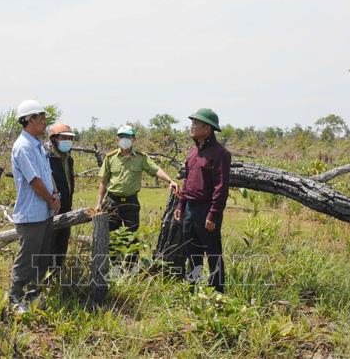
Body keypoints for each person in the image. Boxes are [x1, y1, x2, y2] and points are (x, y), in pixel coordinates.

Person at [95, 124, 178, 268]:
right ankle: (114, 268)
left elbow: (155, 169)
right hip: (111, 201)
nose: (124, 140)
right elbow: (103, 182)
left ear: (134, 139)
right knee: (113, 237)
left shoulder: (141, 158)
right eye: (121, 137)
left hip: (131, 202)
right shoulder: (110, 158)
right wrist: (99, 203)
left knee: (131, 237)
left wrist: (170, 180)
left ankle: (131, 270)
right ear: (117, 139)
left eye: (127, 137)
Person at [9, 100, 61, 313]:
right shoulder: (23, 146)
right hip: (31, 215)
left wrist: (55, 195)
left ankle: (33, 296)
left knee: (41, 257)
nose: (43, 121)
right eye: (40, 117)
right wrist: (50, 199)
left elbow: (47, 176)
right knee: (27, 259)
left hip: (44, 213)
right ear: (28, 120)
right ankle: (15, 298)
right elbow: (34, 180)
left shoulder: (37, 145)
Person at [174, 108, 231, 293]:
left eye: (195, 124)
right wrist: (181, 205)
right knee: (192, 253)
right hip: (190, 208)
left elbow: (220, 187)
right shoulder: (192, 152)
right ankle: (192, 291)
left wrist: (213, 214)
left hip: (207, 210)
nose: (191, 127)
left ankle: (217, 294)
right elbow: (187, 181)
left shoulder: (220, 153)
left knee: (213, 253)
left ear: (207, 128)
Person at [46, 123, 76, 272]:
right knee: (50, 245)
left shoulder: (69, 159)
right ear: (53, 140)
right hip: (51, 209)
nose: (67, 141)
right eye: (63, 137)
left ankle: (58, 274)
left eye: (70, 138)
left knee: (62, 243)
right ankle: (47, 279)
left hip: (66, 208)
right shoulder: (47, 158)